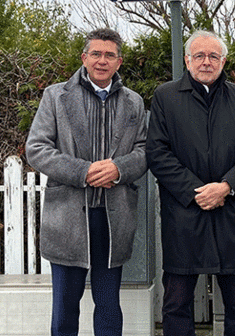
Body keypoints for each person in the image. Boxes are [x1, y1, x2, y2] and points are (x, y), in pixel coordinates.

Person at [26, 28, 147, 336]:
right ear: (84, 57)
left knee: (108, 306)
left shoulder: (134, 103)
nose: (102, 61)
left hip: (113, 217)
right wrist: (84, 171)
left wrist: (118, 169)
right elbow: (37, 148)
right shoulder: (55, 96)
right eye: (96, 54)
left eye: (109, 55)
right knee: (65, 307)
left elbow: (146, 151)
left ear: (119, 62)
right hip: (67, 218)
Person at [146, 30, 235, 336]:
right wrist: (195, 191)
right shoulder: (165, 97)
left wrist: (225, 186)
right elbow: (157, 153)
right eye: (199, 55)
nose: (206, 62)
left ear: (223, 61)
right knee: (176, 304)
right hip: (184, 216)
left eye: (213, 56)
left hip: (232, 215)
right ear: (187, 60)